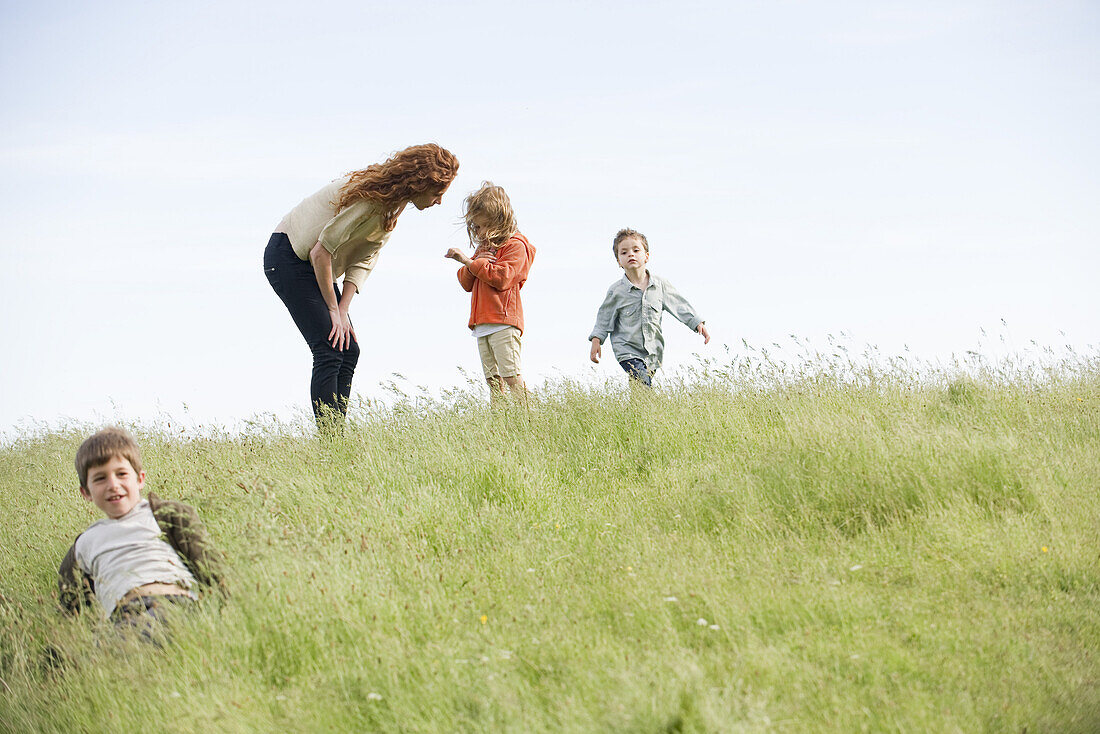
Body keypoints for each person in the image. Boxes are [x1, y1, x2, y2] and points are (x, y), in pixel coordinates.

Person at [265, 143, 460, 429]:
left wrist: (343, 309)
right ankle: (332, 444)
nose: (439, 201)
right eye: (437, 192)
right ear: (419, 183)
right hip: (289, 256)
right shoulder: (371, 199)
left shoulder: (392, 206)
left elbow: (365, 259)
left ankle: (337, 440)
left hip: (318, 265)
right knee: (330, 348)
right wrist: (333, 310)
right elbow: (321, 251)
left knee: (349, 350)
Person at [57, 427, 227, 632]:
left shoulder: (164, 515)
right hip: (125, 618)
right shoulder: (85, 543)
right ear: (86, 492)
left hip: (176, 605)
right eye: (100, 478)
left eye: (121, 474)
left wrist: (227, 615)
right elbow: (70, 608)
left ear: (139, 479)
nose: (113, 484)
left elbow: (211, 568)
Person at [445, 182, 536, 404]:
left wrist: (469, 261)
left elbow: (502, 278)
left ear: (495, 218)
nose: (477, 230)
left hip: (503, 321)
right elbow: (467, 282)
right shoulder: (485, 248)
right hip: (483, 323)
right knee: (493, 382)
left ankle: (534, 422)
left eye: (480, 225)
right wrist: (473, 262)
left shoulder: (515, 246)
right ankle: (500, 427)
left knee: (511, 375)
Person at [589, 228, 710, 387]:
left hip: (653, 352)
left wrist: (697, 323)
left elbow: (679, 304)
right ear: (619, 261)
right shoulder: (616, 291)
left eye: (636, 250)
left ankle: (637, 412)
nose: (630, 254)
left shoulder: (660, 285)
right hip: (627, 350)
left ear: (646, 256)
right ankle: (645, 410)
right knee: (642, 381)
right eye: (624, 252)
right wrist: (597, 340)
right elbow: (604, 317)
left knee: (640, 388)